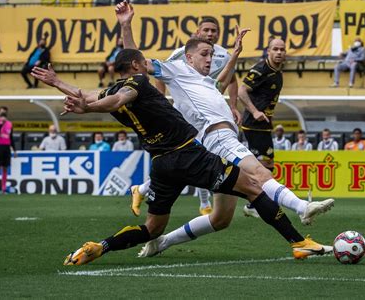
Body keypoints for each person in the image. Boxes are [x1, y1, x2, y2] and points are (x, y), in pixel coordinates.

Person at [32, 50, 333, 266]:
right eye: (143, 63)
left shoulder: (115, 88)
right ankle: (299, 242)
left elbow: (97, 97)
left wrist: (61, 85)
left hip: (161, 165)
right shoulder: (136, 84)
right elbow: (114, 100)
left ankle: (102, 246)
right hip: (189, 154)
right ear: (137, 65)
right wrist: (88, 108)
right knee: (254, 187)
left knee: (153, 228)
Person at [115, 2, 334, 258]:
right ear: (189, 57)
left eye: (211, 55)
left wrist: (235, 55)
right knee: (259, 173)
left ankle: (161, 242)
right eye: (205, 54)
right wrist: (126, 24)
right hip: (217, 137)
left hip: (212, 143)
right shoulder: (175, 69)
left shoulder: (203, 80)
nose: (210, 59)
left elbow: (221, 81)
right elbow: (135, 60)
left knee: (221, 218)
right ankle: (302, 207)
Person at [159, 16, 243, 215]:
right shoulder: (181, 53)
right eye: (206, 30)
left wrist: (233, 105)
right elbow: (161, 74)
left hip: (211, 112)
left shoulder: (223, 55)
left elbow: (231, 81)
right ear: (198, 32)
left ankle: (205, 203)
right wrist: (162, 102)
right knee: (192, 156)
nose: (210, 34)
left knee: (204, 155)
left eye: (214, 31)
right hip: (186, 112)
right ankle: (202, 201)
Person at [239, 38, 286, 217]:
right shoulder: (260, 69)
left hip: (264, 125)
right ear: (268, 51)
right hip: (254, 124)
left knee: (265, 165)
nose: (279, 52)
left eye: (282, 49)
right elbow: (242, 90)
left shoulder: (277, 71)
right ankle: (253, 204)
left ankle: (252, 203)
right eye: (275, 49)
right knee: (264, 165)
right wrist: (255, 111)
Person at [0, 107, 16, 195]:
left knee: (5, 168)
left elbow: (11, 137)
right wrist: (1, 124)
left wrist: (14, 149)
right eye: (2, 113)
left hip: (6, 147)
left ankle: (4, 189)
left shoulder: (9, 124)